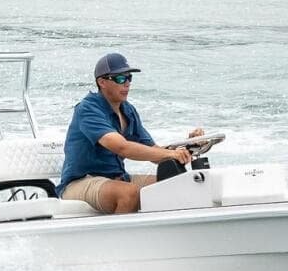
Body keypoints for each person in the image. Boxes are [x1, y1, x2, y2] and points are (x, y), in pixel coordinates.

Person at [56, 53, 202, 215]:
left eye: (129, 78)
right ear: (102, 82)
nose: (126, 84)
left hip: (117, 178)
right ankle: (117, 240)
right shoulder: (88, 109)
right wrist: (171, 153)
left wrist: (189, 146)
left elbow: (155, 154)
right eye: (119, 79)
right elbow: (121, 147)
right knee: (128, 193)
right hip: (80, 181)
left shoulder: (128, 111)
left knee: (175, 185)